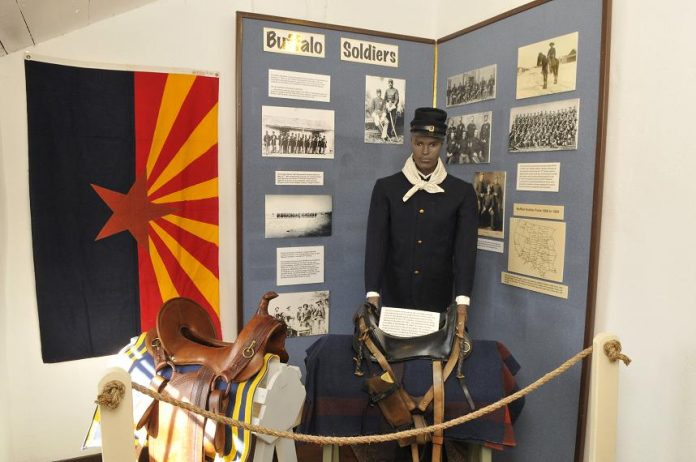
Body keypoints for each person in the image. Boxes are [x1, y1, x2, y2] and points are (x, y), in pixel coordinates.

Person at [364, 107, 478, 314]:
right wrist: (372, 294)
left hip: (438, 299)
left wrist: (463, 302)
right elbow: (376, 245)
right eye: (419, 144)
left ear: (442, 145)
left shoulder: (461, 192)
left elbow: (465, 252)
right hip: (394, 297)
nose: (425, 152)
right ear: (411, 143)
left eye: (432, 145)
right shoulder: (387, 188)